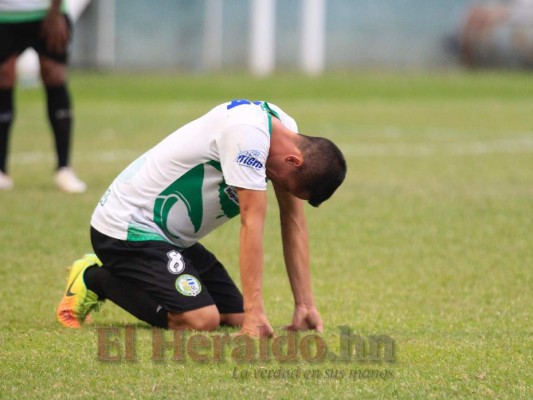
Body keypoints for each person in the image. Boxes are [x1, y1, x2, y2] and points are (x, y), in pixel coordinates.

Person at [57, 99, 346, 337]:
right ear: (294, 161)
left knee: (233, 315)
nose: (278, 187)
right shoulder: (246, 136)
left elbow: (293, 221)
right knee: (201, 319)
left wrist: (305, 303)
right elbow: (251, 223)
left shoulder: (285, 133)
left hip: (172, 238)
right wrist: (256, 314)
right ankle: (93, 277)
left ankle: (139, 275)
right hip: (128, 228)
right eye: (284, 185)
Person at [0, 0, 86, 192]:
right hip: (5, 14)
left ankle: (64, 168)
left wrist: (55, 12)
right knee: (3, 76)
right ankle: (1, 171)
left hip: (45, 11)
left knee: (55, 75)